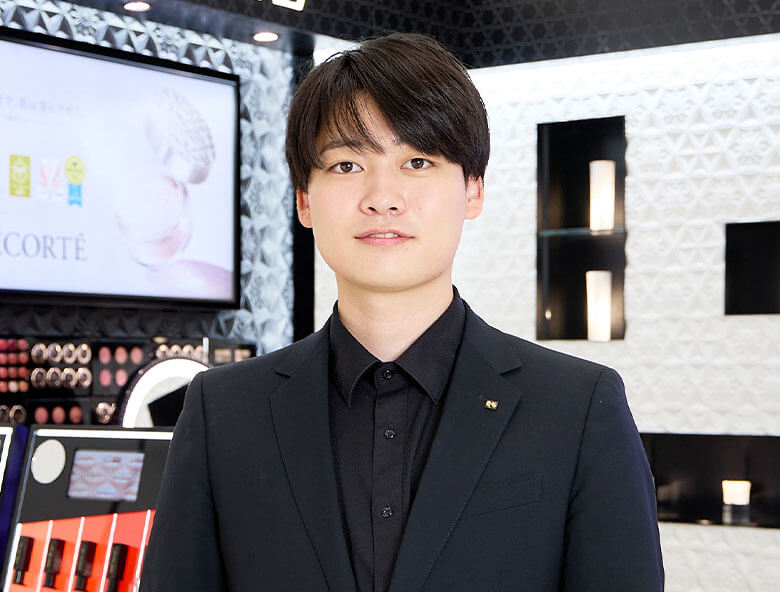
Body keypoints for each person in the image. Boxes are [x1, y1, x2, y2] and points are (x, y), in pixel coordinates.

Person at [140, 32, 664, 592]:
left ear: (473, 190)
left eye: (417, 161)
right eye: (347, 165)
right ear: (304, 199)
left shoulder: (578, 409)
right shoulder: (223, 412)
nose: (382, 197)